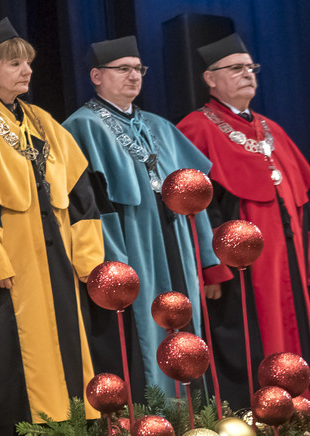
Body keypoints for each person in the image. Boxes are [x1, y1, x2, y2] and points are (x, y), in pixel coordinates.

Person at [0, 19, 104, 436]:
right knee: (11, 355)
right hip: (12, 261)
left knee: (68, 349)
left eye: (28, 63)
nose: (27, 71)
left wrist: (89, 260)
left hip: (57, 256)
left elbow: (80, 191)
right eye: (14, 64)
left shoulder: (42, 121)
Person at [63, 35, 228, 398]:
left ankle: (194, 412)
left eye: (138, 69)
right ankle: (157, 413)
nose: (134, 76)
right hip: (131, 240)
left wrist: (207, 258)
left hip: (175, 237)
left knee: (186, 325)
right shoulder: (82, 126)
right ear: (96, 76)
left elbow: (195, 195)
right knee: (145, 329)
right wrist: (112, 263)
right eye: (123, 69)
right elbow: (91, 203)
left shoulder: (159, 125)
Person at [178, 33, 310, 408]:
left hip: (288, 259)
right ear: (210, 78)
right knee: (247, 340)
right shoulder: (196, 128)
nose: (247, 74)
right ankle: (261, 416)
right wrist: (212, 268)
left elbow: (300, 200)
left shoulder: (271, 128)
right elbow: (197, 207)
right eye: (235, 68)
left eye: (251, 67)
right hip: (239, 269)